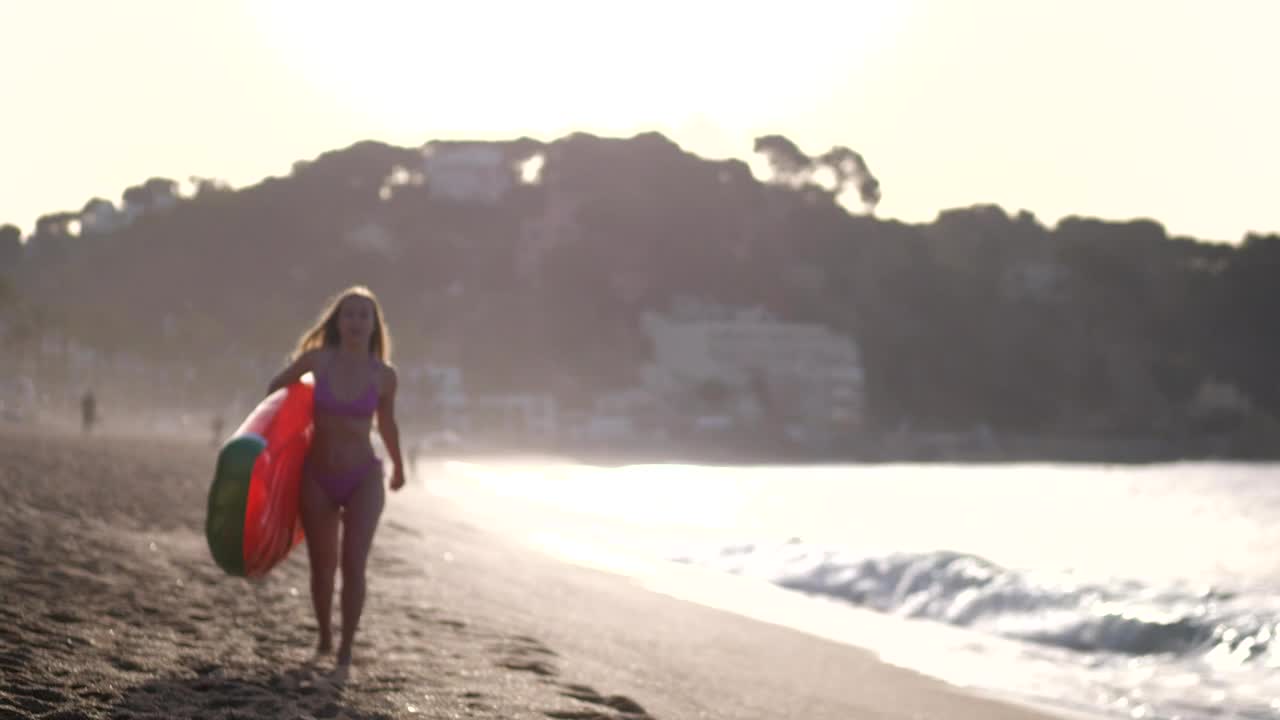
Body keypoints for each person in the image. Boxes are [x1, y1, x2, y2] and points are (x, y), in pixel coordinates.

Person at [266, 286, 406, 667]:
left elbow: (387, 425)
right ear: (338, 321)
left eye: (364, 315)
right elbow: (275, 391)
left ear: (374, 325)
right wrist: (272, 445)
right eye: (349, 314)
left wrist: (399, 466)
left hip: (363, 477)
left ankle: (346, 647)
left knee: (354, 563)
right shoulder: (318, 361)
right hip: (318, 476)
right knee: (322, 565)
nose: (357, 321)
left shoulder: (384, 376)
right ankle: (325, 634)